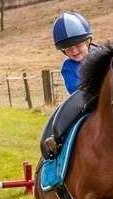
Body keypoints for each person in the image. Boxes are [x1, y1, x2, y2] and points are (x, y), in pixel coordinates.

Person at [41, 12, 95, 159]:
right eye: (69, 49)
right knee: (67, 116)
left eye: (78, 45)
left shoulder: (101, 55)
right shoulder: (68, 67)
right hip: (84, 102)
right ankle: (57, 141)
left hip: (110, 99)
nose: (74, 51)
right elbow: (76, 90)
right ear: (63, 51)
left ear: (87, 41)